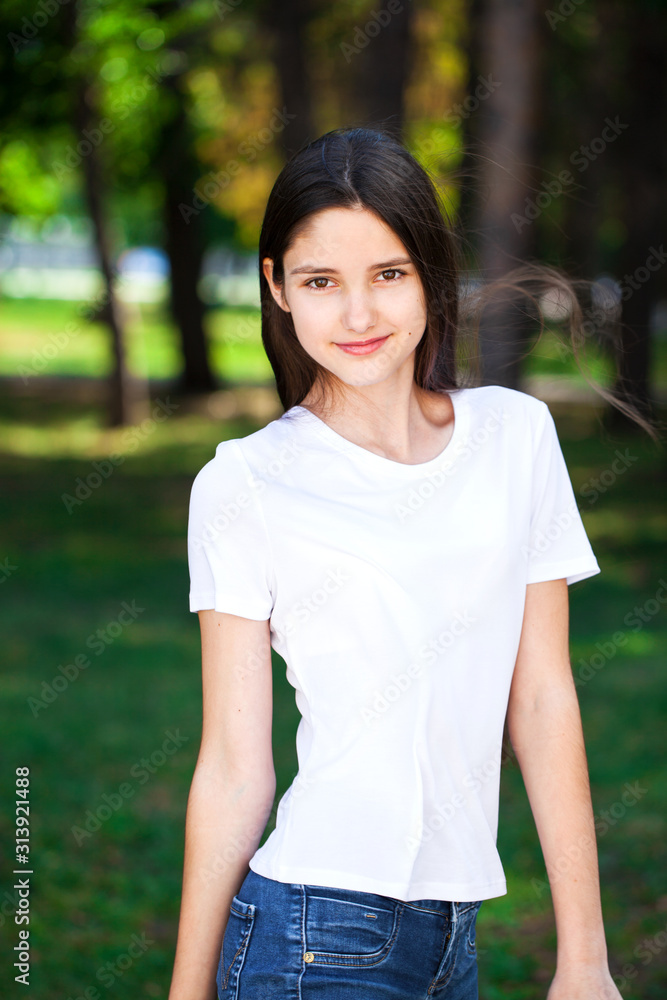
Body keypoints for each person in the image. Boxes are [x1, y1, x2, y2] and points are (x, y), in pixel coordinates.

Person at [168, 127, 652, 1000]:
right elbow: (235, 765)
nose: (357, 316)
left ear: (430, 271)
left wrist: (585, 957)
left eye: (387, 274)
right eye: (320, 282)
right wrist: (185, 990)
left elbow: (541, 698)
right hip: (309, 937)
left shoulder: (514, 439)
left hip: (451, 942)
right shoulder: (244, 480)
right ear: (277, 287)